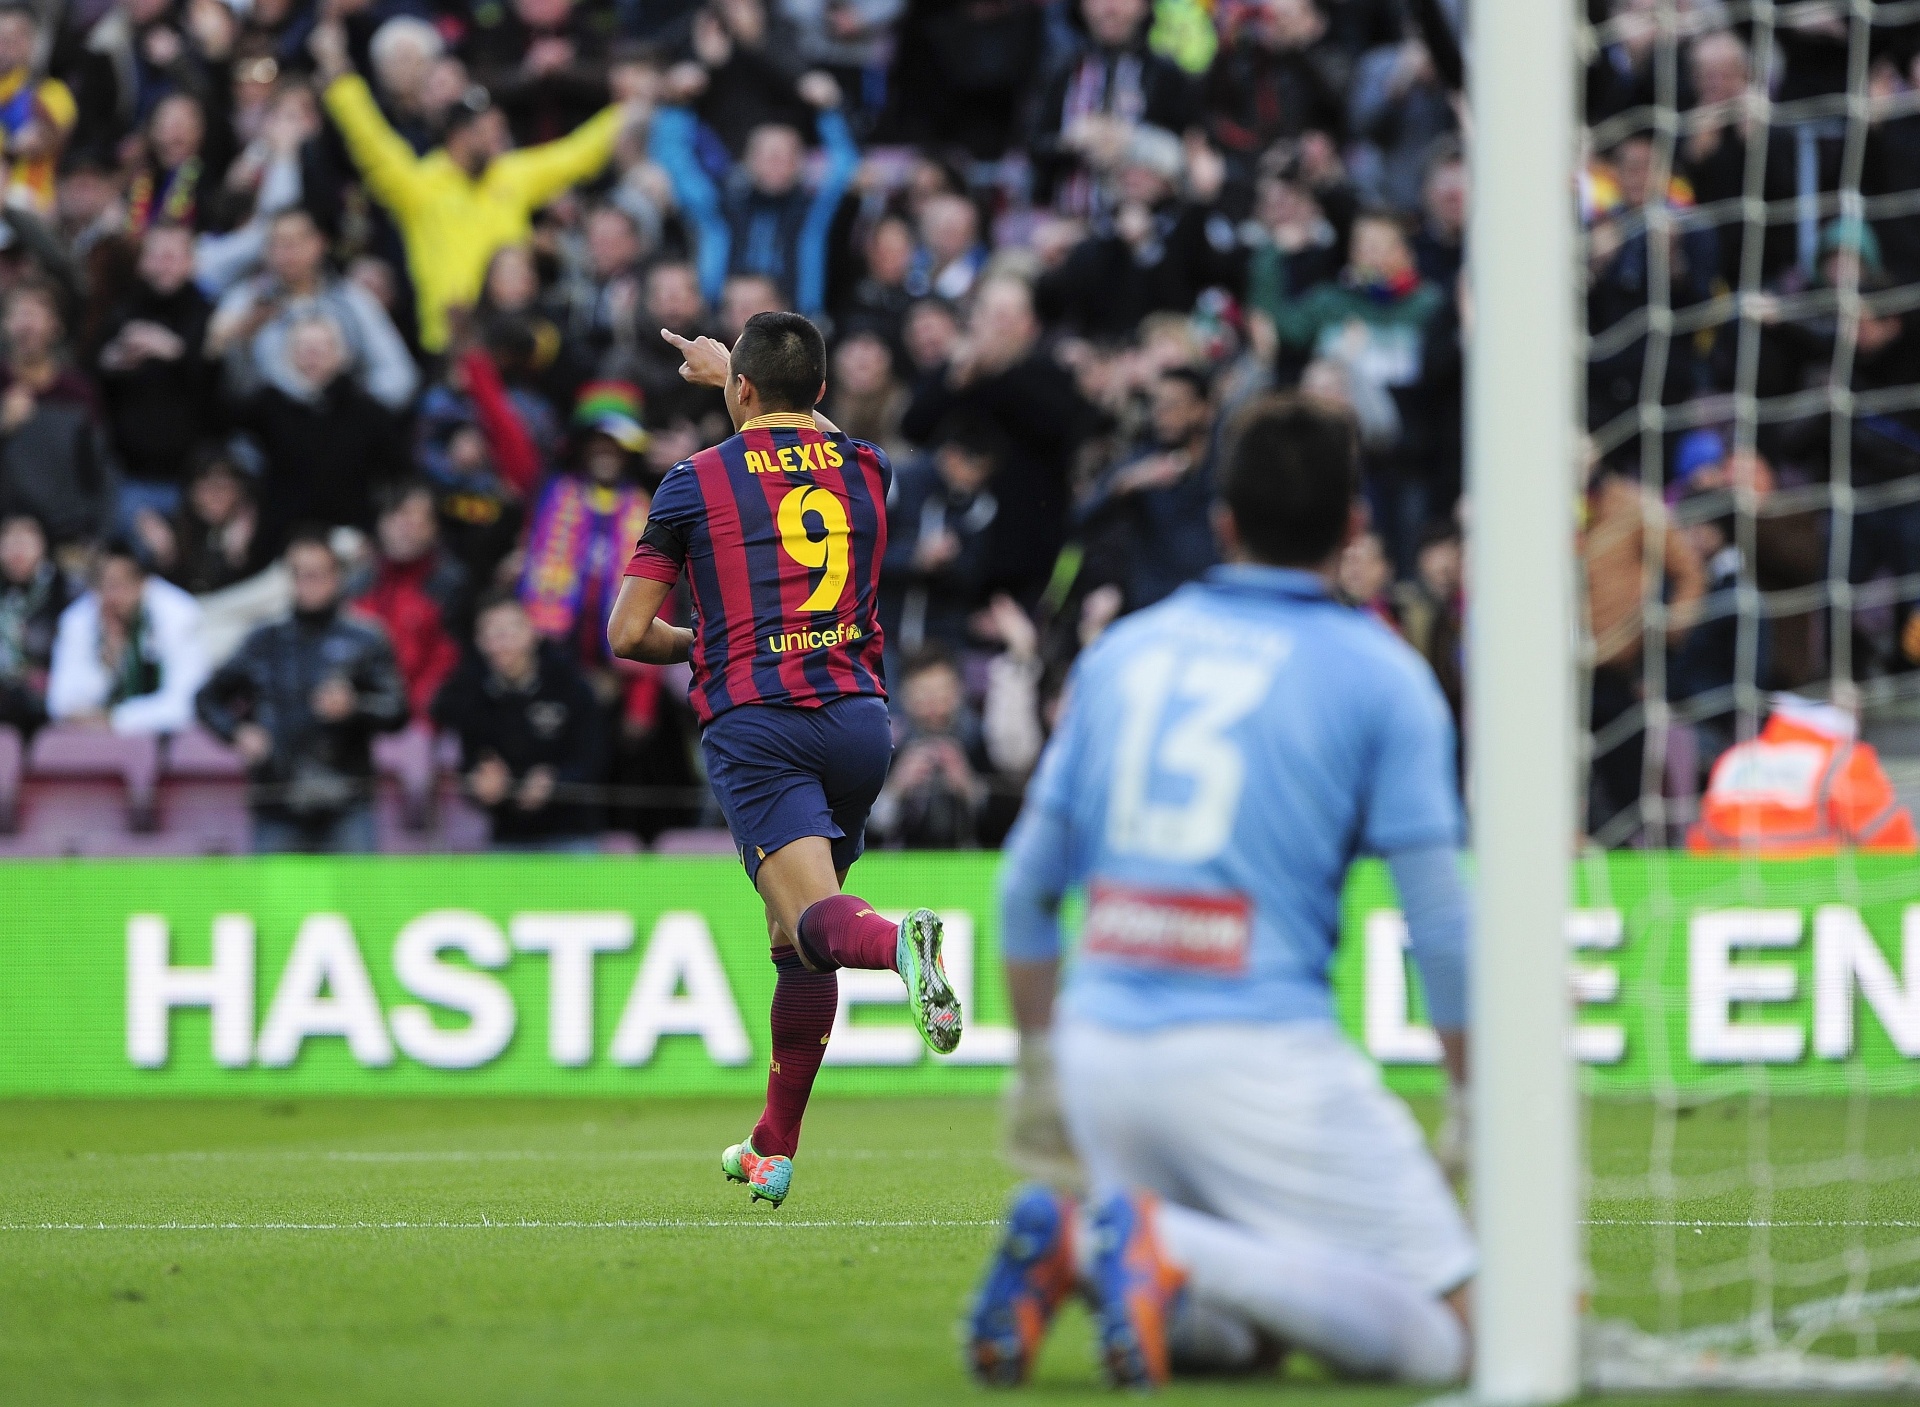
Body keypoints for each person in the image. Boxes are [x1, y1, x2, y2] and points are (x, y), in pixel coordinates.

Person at [966, 396, 1472, 1390]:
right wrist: (1471, 1095)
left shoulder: (1126, 653)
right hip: (1256, 1056)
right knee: (1462, 1342)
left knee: (1247, 1342)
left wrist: (1038, 1066)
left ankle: (1090, 1247)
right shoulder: (1382, 673)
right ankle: (1156, 1244)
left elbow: (1024, 891)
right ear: (1357, 526)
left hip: (1104, 1054)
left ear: (1224, 521)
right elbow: (1443, 926)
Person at [607, 310, 963, 1206]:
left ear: (741, 394)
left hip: (760, 719)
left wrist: (717, 637)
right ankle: (773, 1143)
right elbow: (814, 435)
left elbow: (627, 632)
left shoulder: (693, 482)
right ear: (826, 393)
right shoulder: (868, 465)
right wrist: (746, 378)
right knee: (796, 939)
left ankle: (900, 946)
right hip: (858, 723)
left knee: (820, 923)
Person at [309, 16, 639, 354]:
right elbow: (369, 139)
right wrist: (338, 75)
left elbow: (575, 155)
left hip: (516, 340)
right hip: (449, 346)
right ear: (460, 136)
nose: (498, 139)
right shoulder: (418, 185)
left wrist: (630, 108)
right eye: (488, 131)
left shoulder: (511, 174)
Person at [195, 531, 409, 855]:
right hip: (278, 798)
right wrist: (238, 732)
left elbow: (397, 710)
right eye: (300, 574)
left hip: (346, 799)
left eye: (318, 574)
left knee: (358, 904)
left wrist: (355, 706)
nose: (309, 584)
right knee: (279, 905)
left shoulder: (365, 638)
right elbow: (207, 698)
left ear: (337, 577)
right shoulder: (264, 641)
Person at [433, 589, 608, 852]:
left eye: (510, 630)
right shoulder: (470, 694)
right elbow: (466, 765)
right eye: (492, 632)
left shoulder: (570, 685)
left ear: (534, 633)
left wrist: (555, 782)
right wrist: (479, 781)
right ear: (479, 641)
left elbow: (597, 758)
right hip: (507, 836)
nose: (502, 642)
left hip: (572, 835)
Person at [1689, 694, 1919, 854]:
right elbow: (1893, 842)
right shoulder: (1845, 760)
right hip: (1819, 899)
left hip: (1734, 898)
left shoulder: (1734, 759)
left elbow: (1701, 841)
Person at [46, 539, 206, 734]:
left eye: (120, 583)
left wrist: (116, 719)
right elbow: (61, 704)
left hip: (162, 738)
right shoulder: (78, 618)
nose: (111, 596)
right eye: (102, 584)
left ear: (143, 581)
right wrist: (107, 667)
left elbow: (186, 704)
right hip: (95, 738)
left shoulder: (178, 613)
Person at [0, 512, 72, 732]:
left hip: (52, 697)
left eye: (26, 537)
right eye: (9, 538)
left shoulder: (67, 591)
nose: (17, 547)